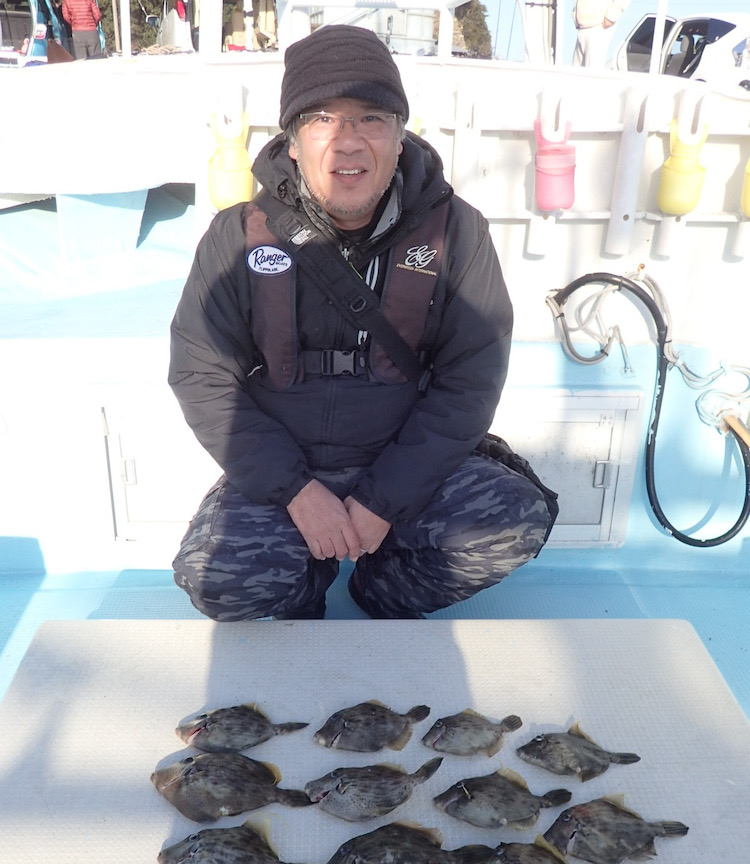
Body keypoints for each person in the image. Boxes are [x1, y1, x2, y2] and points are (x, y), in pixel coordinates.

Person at [169, 24, 556, 621]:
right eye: (322, 118)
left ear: (400, 138)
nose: (347, 142)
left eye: (371, 118)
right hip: (286, 471)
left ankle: (378, 592)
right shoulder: (236, 236)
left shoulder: (459, 233)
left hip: (399, 461)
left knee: (512, 522)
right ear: (293, 141)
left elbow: (468, 384)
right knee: (216, 580)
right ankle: (305, 589)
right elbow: (202, 375)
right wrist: (297, 494)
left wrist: (383, 500)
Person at [572, 0, 630, 69]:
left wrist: (611, 16)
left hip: (598, 25)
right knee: (576, 74)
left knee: (592, 73)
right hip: (583, 27)